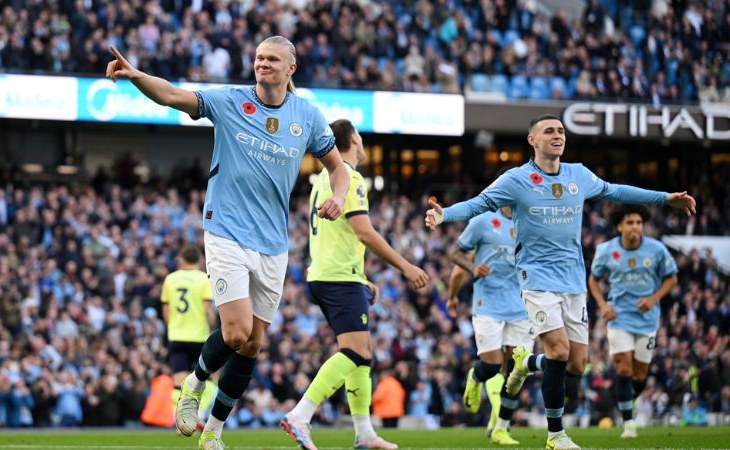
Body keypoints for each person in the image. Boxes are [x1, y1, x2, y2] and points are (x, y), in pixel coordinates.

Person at [106, 35, 350, 450]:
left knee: (253, 344)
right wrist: (135, 76)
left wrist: (339, 197)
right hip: (226, 229)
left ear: (291, 68)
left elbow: (338, 168)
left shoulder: (306, 116)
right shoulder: (231, 101)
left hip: (273, 242)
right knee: (236, 333)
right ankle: (194, 382)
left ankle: (213, 433)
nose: (262, 64)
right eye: (258, 58)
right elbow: (172, 95)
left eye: (272, 59)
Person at [425, 115, 695, 450]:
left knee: (577, 364)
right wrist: (444, 214)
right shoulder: (516, 179)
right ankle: (556, 435)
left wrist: (665, 197)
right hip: (536, 278)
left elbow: (615, 190)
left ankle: (526, 363)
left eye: (561, 131)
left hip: (573, 280)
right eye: (549, 131)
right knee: (558, 350)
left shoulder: (578, 174)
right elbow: (478, 203)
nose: (557, 135)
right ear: (532, 140)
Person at [279, 119, 428, 450]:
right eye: (359, 136)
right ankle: (300, 415)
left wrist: (362, 277)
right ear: (354, 140)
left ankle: (365, 433)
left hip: (333, 274)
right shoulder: (350, 177)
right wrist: (405, 266)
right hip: (338, 278)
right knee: (354, 352)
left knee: (363, 355)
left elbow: (338, 236)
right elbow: (364, 231)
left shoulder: (323, 178)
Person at [588, 204, 677, 439]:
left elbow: (672, 278)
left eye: (638, 222)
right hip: (619, 317)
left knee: (639, 376)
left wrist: (654, 298)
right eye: (630, 222)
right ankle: (629, 424)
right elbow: (594, 280)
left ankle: (628, 399)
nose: (635, 227)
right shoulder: (606, 250)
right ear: (619, 226)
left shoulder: (656, 249)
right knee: (623, 368)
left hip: (647, 320)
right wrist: (603, 305)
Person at [446, 205, 532, 445]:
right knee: (492, 366)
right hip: (488, 305)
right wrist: (473, 267)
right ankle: (475, 377)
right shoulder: (483, 222)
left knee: (516, 370)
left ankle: (501, 428)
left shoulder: (530, 222)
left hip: (521, 306)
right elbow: (455, 254)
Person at [161, 245, 217, 417]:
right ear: (199, 260)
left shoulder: (170, 279)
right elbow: (208, 310)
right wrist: (212, 328)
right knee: (206, 379)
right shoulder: (203, 279)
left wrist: (173, 327)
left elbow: (166, 311)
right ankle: (199, 413)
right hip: (199, 337)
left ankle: (180, 418)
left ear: (181, 259)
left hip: (177, 336)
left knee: (178, 381)